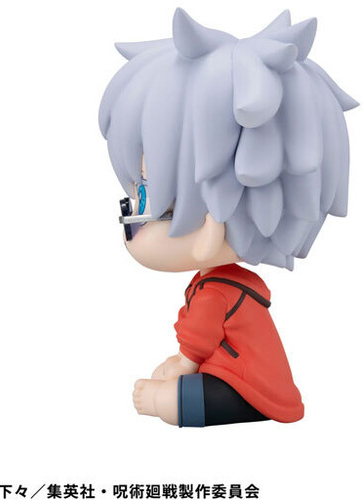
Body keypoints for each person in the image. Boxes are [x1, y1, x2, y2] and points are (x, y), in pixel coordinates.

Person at [98, 8, 358, 427]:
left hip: (250, 390)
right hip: (230, 372)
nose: (137, 216)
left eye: (153, 199)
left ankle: (175, 402)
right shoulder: (218, 282)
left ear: (213, 222)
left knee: (171, 401)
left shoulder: (218, 290)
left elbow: (200, 337)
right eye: (139, 193)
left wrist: (181, 369)